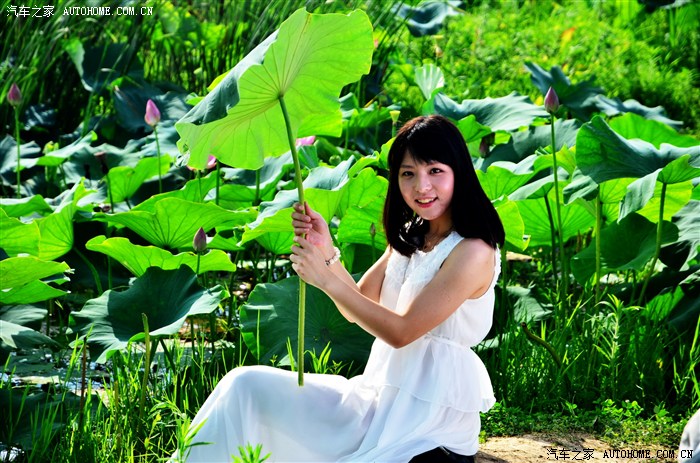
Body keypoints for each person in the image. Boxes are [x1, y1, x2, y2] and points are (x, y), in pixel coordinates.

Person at [173, 115, 505, 463]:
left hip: (429, 428)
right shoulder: (412, 233)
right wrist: (327, 250)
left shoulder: (473, 251)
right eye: (408, 173)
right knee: (243, 385)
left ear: (459, 172)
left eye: (435, 171)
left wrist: (325, 279)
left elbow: (402, 332)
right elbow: (355, 306)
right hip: (372, 402)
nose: (421, 186)